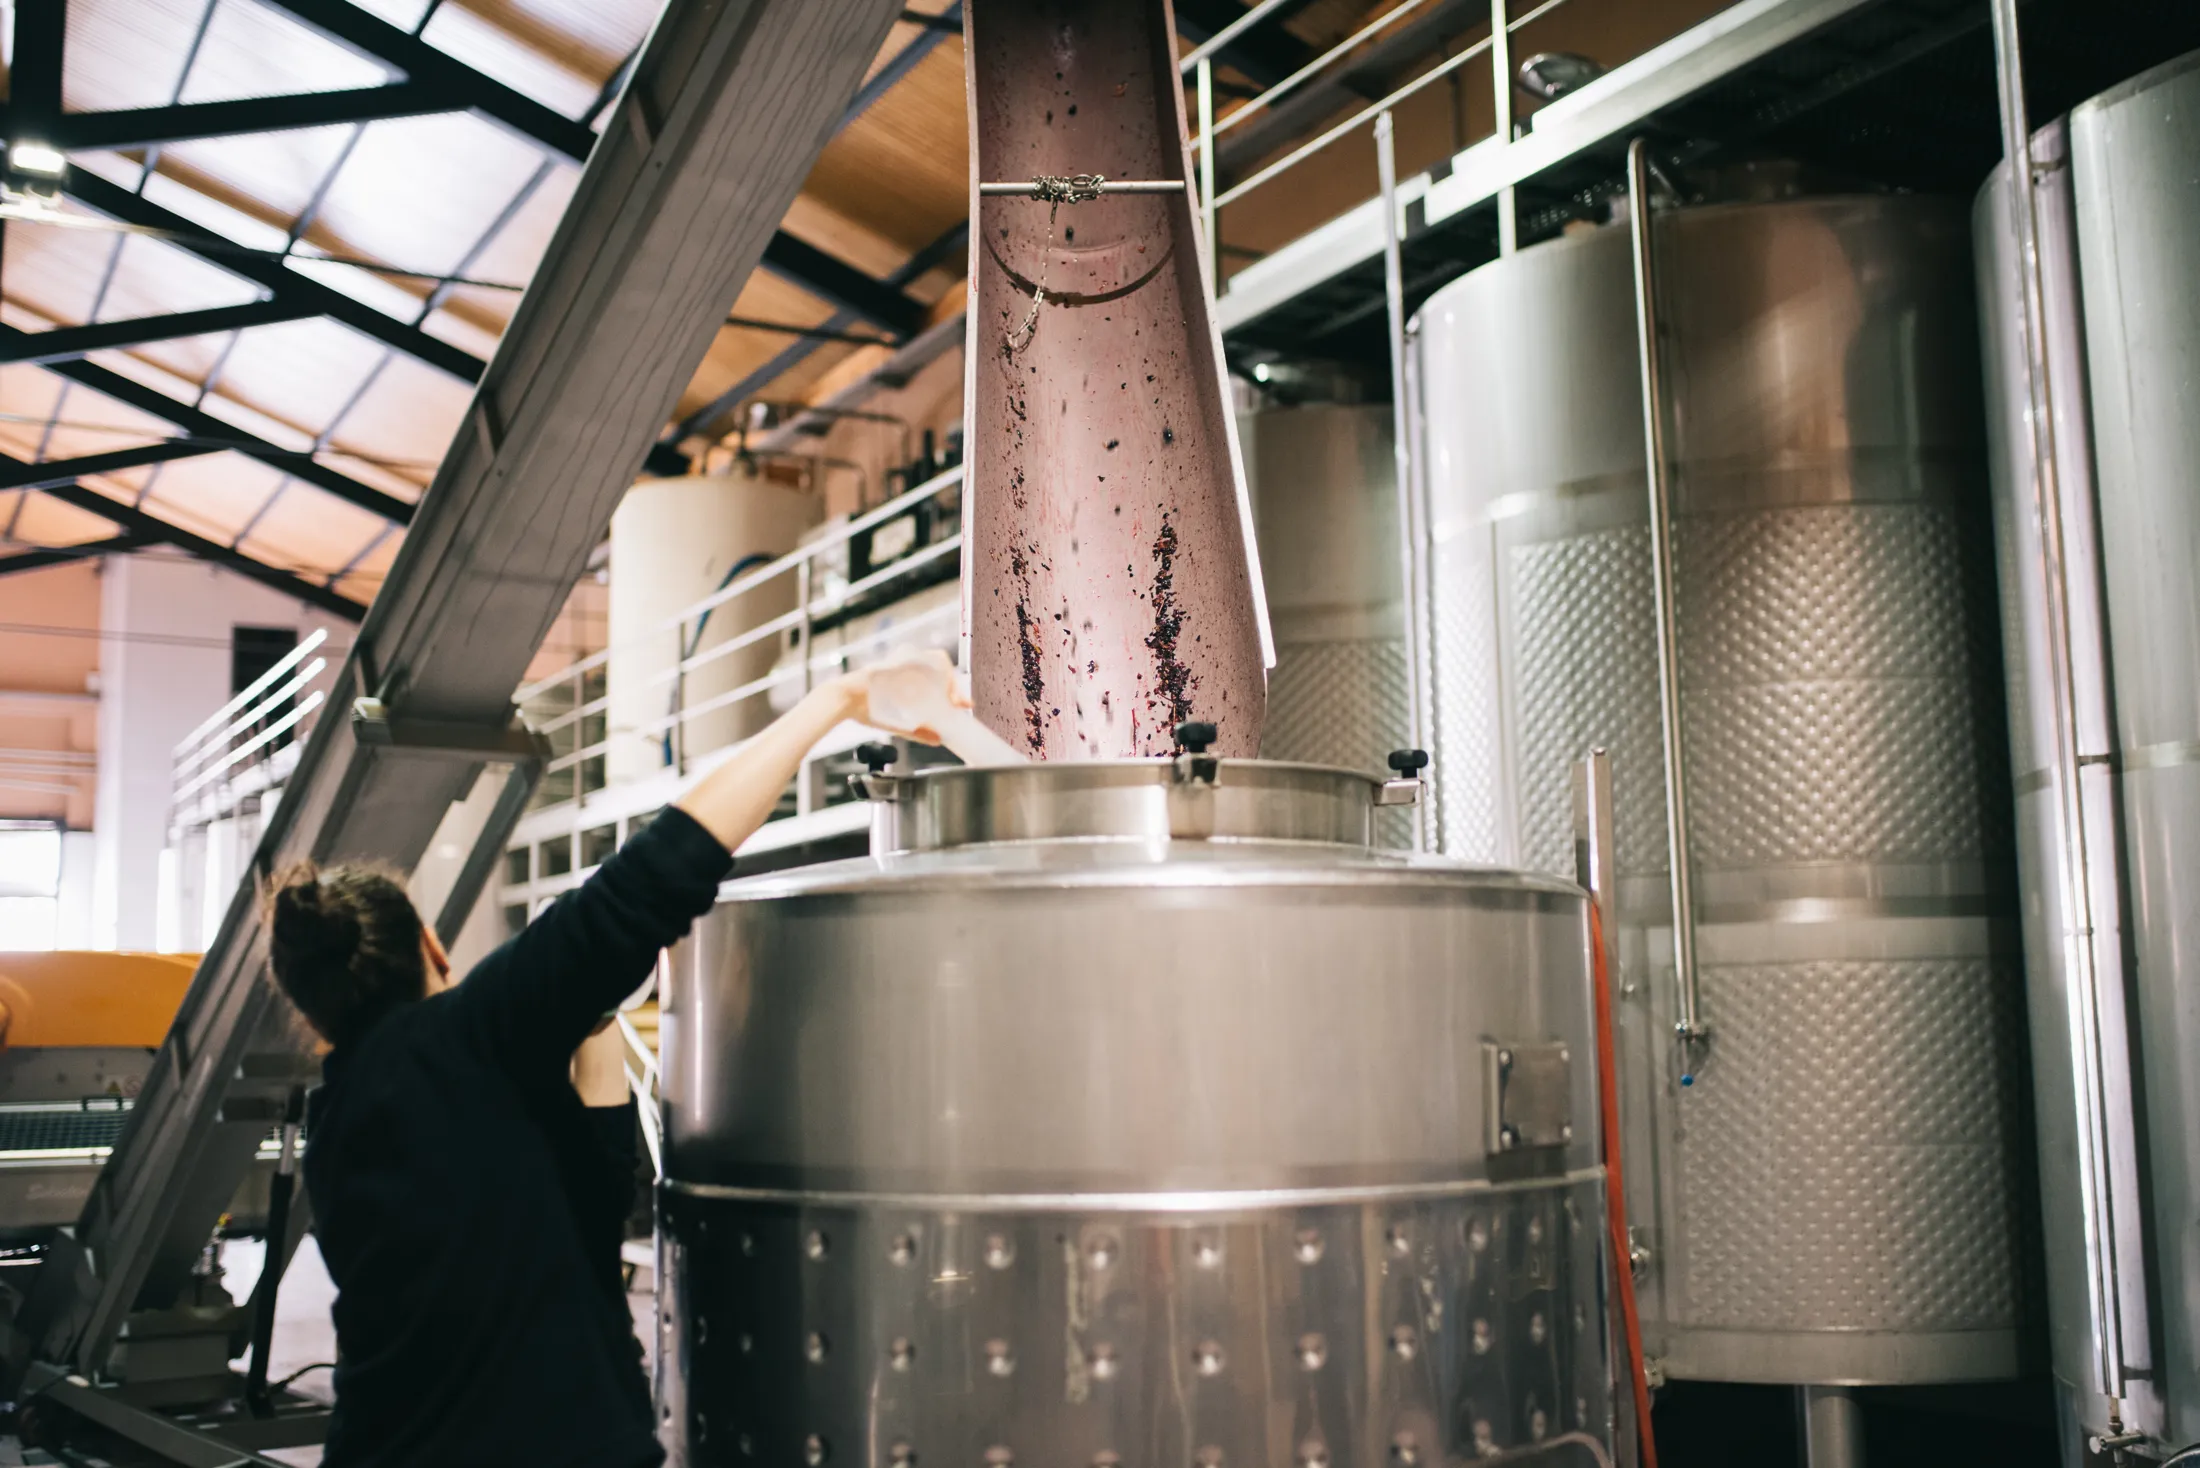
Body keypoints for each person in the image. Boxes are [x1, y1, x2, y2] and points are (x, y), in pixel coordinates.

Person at [264, 656, 960, 1468]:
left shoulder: (338, 1125)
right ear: (431, 946)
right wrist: (834, 700)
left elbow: (581, 1218)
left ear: (314, 1013)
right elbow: (660, 868)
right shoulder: (475, 1032)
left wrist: (588, 1031)